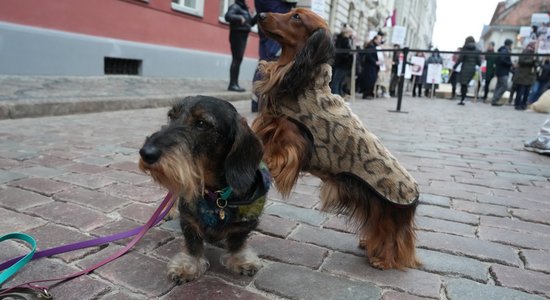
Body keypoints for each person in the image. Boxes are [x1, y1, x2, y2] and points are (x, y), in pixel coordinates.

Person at [250, 0, 296, 111]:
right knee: (270, 63)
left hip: (266, 24)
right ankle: (264, 102)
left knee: (264, 60)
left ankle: (257, 102)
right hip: (275, 26)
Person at [225, 0, 256, 92]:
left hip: (243, 35)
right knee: (236, 59)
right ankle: (233, 84)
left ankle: (235, 83)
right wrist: (239, 17)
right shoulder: (235, 6)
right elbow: (227, 16)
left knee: (238, 59)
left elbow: (250, 23)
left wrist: (257, 17)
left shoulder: (244, 8)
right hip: (236, 34)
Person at [453, 36, 481, 105]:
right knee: (466, 84)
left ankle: (462, 99)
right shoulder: (476, 50)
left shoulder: (464, 49)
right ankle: (464, 98)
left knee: (463, 84)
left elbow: (460, 59)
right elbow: (479, 62)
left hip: (465, 68)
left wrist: (455, 66)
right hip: (472, 69)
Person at [330, 24, 354, 96]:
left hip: (345, 64)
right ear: (347, 32)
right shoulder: (342, 40)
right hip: (341, 64)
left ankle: (339, 96)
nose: (351, 33)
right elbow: (341, 53)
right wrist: (349, 54)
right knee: (336, 81)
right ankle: (336, 97)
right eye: (350, 32)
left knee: (340, 81)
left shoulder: (348, 40)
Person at [513, 41, 537, 110]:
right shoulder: (525, 51)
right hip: (522, 75)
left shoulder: (535, 53)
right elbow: (521, 60)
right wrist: (531, 61)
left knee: (527, 92)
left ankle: (524, 104)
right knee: (520, 91)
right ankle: (517, 104)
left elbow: (536, 63)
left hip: (530, 76)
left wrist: (536, 61)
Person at [361, 32, 384, 99]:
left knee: (372, 80)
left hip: (373, 66)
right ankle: (366, 94)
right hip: (369, 66)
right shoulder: (371, 46)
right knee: (369, 80)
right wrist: (375, 62)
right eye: (379, 39)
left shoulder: (375, 46)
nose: (380, 41)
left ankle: (369, 93)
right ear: (375, 39)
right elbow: (369, 55)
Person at [491, 39, 513, 106]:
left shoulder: (503, 50)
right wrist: (510, 64)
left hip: (501, 71)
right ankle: (495, 99)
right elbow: (502, 60)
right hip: (503, 71)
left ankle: (494, 100)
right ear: (509, 44)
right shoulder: (504, 51)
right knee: (504, 86)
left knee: (499, 86)